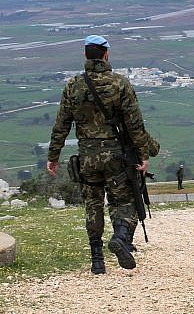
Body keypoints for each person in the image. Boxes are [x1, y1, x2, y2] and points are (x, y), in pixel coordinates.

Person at [46, 35, 153, 275]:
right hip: (116, 157)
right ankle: (121, 237)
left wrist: (54, 156)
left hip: (87, 157)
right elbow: (134, 124)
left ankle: (97, 260)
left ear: (85, 55)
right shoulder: (120, 83)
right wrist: (144, 155)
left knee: (92, 205)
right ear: (106, 54)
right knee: (123, 201)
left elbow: (61, 125)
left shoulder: (73, 85)